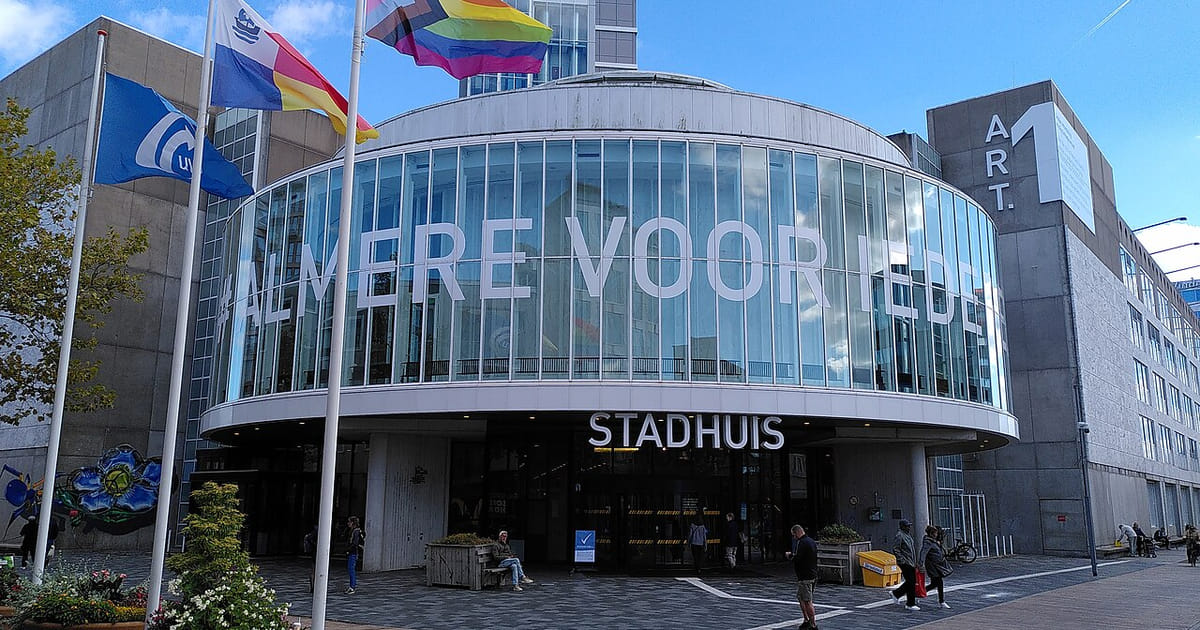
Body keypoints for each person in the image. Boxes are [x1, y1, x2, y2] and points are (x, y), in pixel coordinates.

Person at [785, 525, 819, 630]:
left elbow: (798, 558)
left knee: (807, 600)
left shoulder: (802, 543)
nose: (794, 537)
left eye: (794, 534)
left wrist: (790, 555)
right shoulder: (811, 541)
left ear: (797, 532)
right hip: (811, 574)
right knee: (801, 598)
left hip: (805, 576)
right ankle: (806, 620)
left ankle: (813, 624)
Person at [918, 526, 953, 610]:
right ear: (931, 534)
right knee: (939, 583)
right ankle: (942, 601)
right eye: (935, 533)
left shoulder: (933, 542)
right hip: (933, 566)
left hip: (937, 565)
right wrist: (920, 563)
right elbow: (923, 552)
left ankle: (918, 594)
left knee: (934, 584)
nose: (937, 535)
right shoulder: (928, 542)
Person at [890, 519, 920, 611]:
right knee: (911, 582)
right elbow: (896, 549)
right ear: (902, 526)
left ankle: (896, 593)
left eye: (909, 525)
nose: (909, 527)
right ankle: (910, 603)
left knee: (911, 581)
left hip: (910, 561)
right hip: (905, 562)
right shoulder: (900, 535)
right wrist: (901, 560)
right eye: (907, 526)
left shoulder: (907, 535)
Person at [345, 516, 363, 594]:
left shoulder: (355, 531)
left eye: (349, 522)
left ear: (353, 523)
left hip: (353, 552)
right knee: (351, 569)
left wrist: (348, 550)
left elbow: (354, 543)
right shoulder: (355, 531)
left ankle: (352, 587)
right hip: (353, 552)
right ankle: (352, 586)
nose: (348, 523)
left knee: (351, 569)